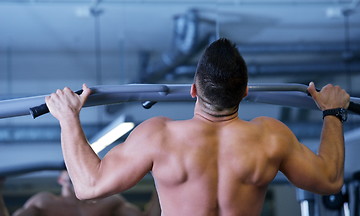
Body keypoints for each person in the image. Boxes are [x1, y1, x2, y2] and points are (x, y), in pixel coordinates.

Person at [45, 38, 350, 216]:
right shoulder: (271, 137)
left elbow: (88, 187)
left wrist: (68, 118)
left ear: (193, 90)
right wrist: (333, 112)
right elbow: (329, 180)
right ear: (245, 92)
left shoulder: (159, 136)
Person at [0, 171, 160, 216]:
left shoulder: (110, 202)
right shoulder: (44, 202)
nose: (76, 175)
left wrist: (161, 181)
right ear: (60, 179)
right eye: (70, 171)